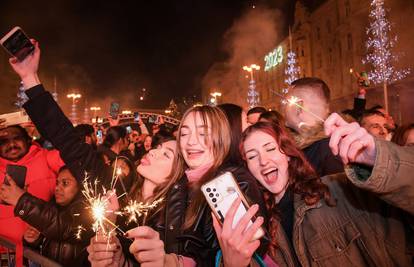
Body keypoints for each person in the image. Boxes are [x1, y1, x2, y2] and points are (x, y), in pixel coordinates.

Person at [215, 113, 414, 266]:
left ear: (287, 154)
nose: (263, 161)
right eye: (252, 156)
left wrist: (377, 160)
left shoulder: (339, 192)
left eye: (270, 148)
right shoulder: (260, 227)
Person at [89, 105, 269, 266]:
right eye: (184, 133)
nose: (190, 142)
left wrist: (173, 262)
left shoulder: (230, 183)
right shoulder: (183, 186)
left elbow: (239, 254)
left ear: (221, 138)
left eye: (203, 133)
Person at [88, 133, 183, 266]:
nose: (153, 152)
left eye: (166, 154)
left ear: (176, 174)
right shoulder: (121, 196)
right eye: (157, 147)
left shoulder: (169, 224)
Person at [0, 166, 95, 266]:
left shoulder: (89, 212)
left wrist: (21, 201)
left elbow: (64, 228)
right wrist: (35, 241)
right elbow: (52, 240)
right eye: (57, 183)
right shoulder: (53, 207)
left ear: (81, 186)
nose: (57, 188)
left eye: (65, 183)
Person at [0, 124, 64, 261]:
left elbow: (73, 159)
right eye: (4, 141)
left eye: (17, 138)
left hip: (42, 255)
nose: (11, 144)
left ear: (28, 140)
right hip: (5, 256)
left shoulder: (46, 158)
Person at [283, 77, 343, 176]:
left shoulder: (328, 151)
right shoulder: (324, 146)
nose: (284, 108)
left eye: (287, 102)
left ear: (298, 107)